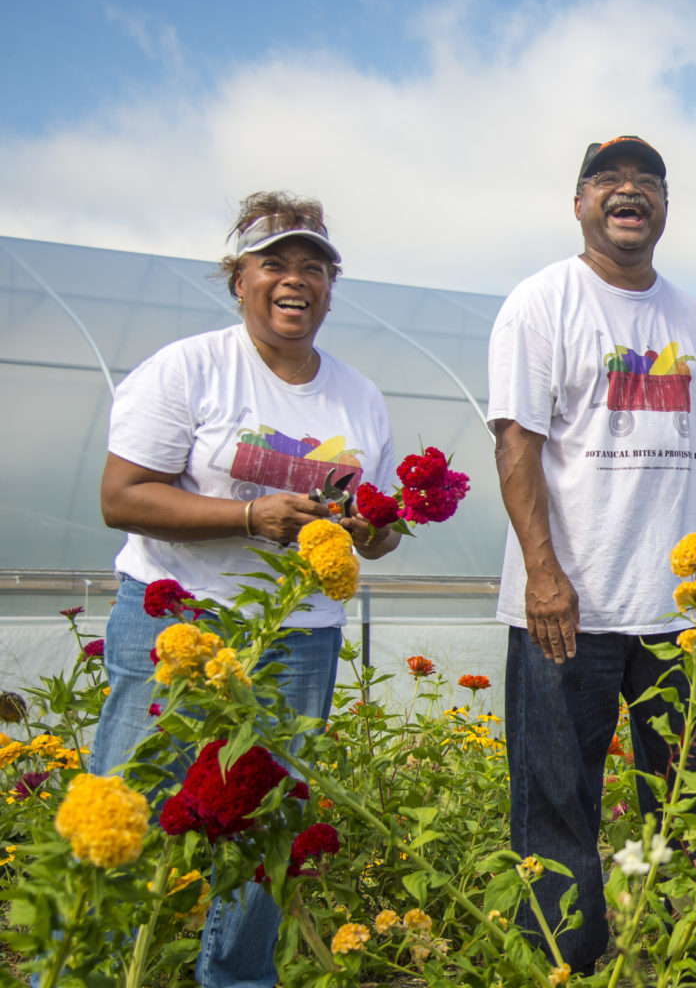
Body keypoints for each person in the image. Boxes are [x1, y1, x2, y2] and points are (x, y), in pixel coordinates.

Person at [488, 136, 696, 972]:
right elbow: (516, 443)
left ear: (664, 207)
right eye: (608, 181)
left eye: (646, 182)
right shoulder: (542, 302)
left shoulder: (687, 315)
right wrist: (544, 575)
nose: (629, 193)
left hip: (676, 614)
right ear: (579, 204)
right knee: (556, 808)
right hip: (566, 612)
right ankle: (565, 967)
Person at [94, 192, 400, 988]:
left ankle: (234, 978)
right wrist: (249, 516)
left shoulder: (358, 396)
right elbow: (122, 496)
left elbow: (383, 523)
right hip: (178, 619)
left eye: (313, 268)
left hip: (296, 635)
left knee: (266, 824)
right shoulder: (190, 368)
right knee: (124, 807)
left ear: (331, 285)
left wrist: (372, 529)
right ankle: (77, 969)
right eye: (275, 265)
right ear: (238, 279)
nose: (295, 281)